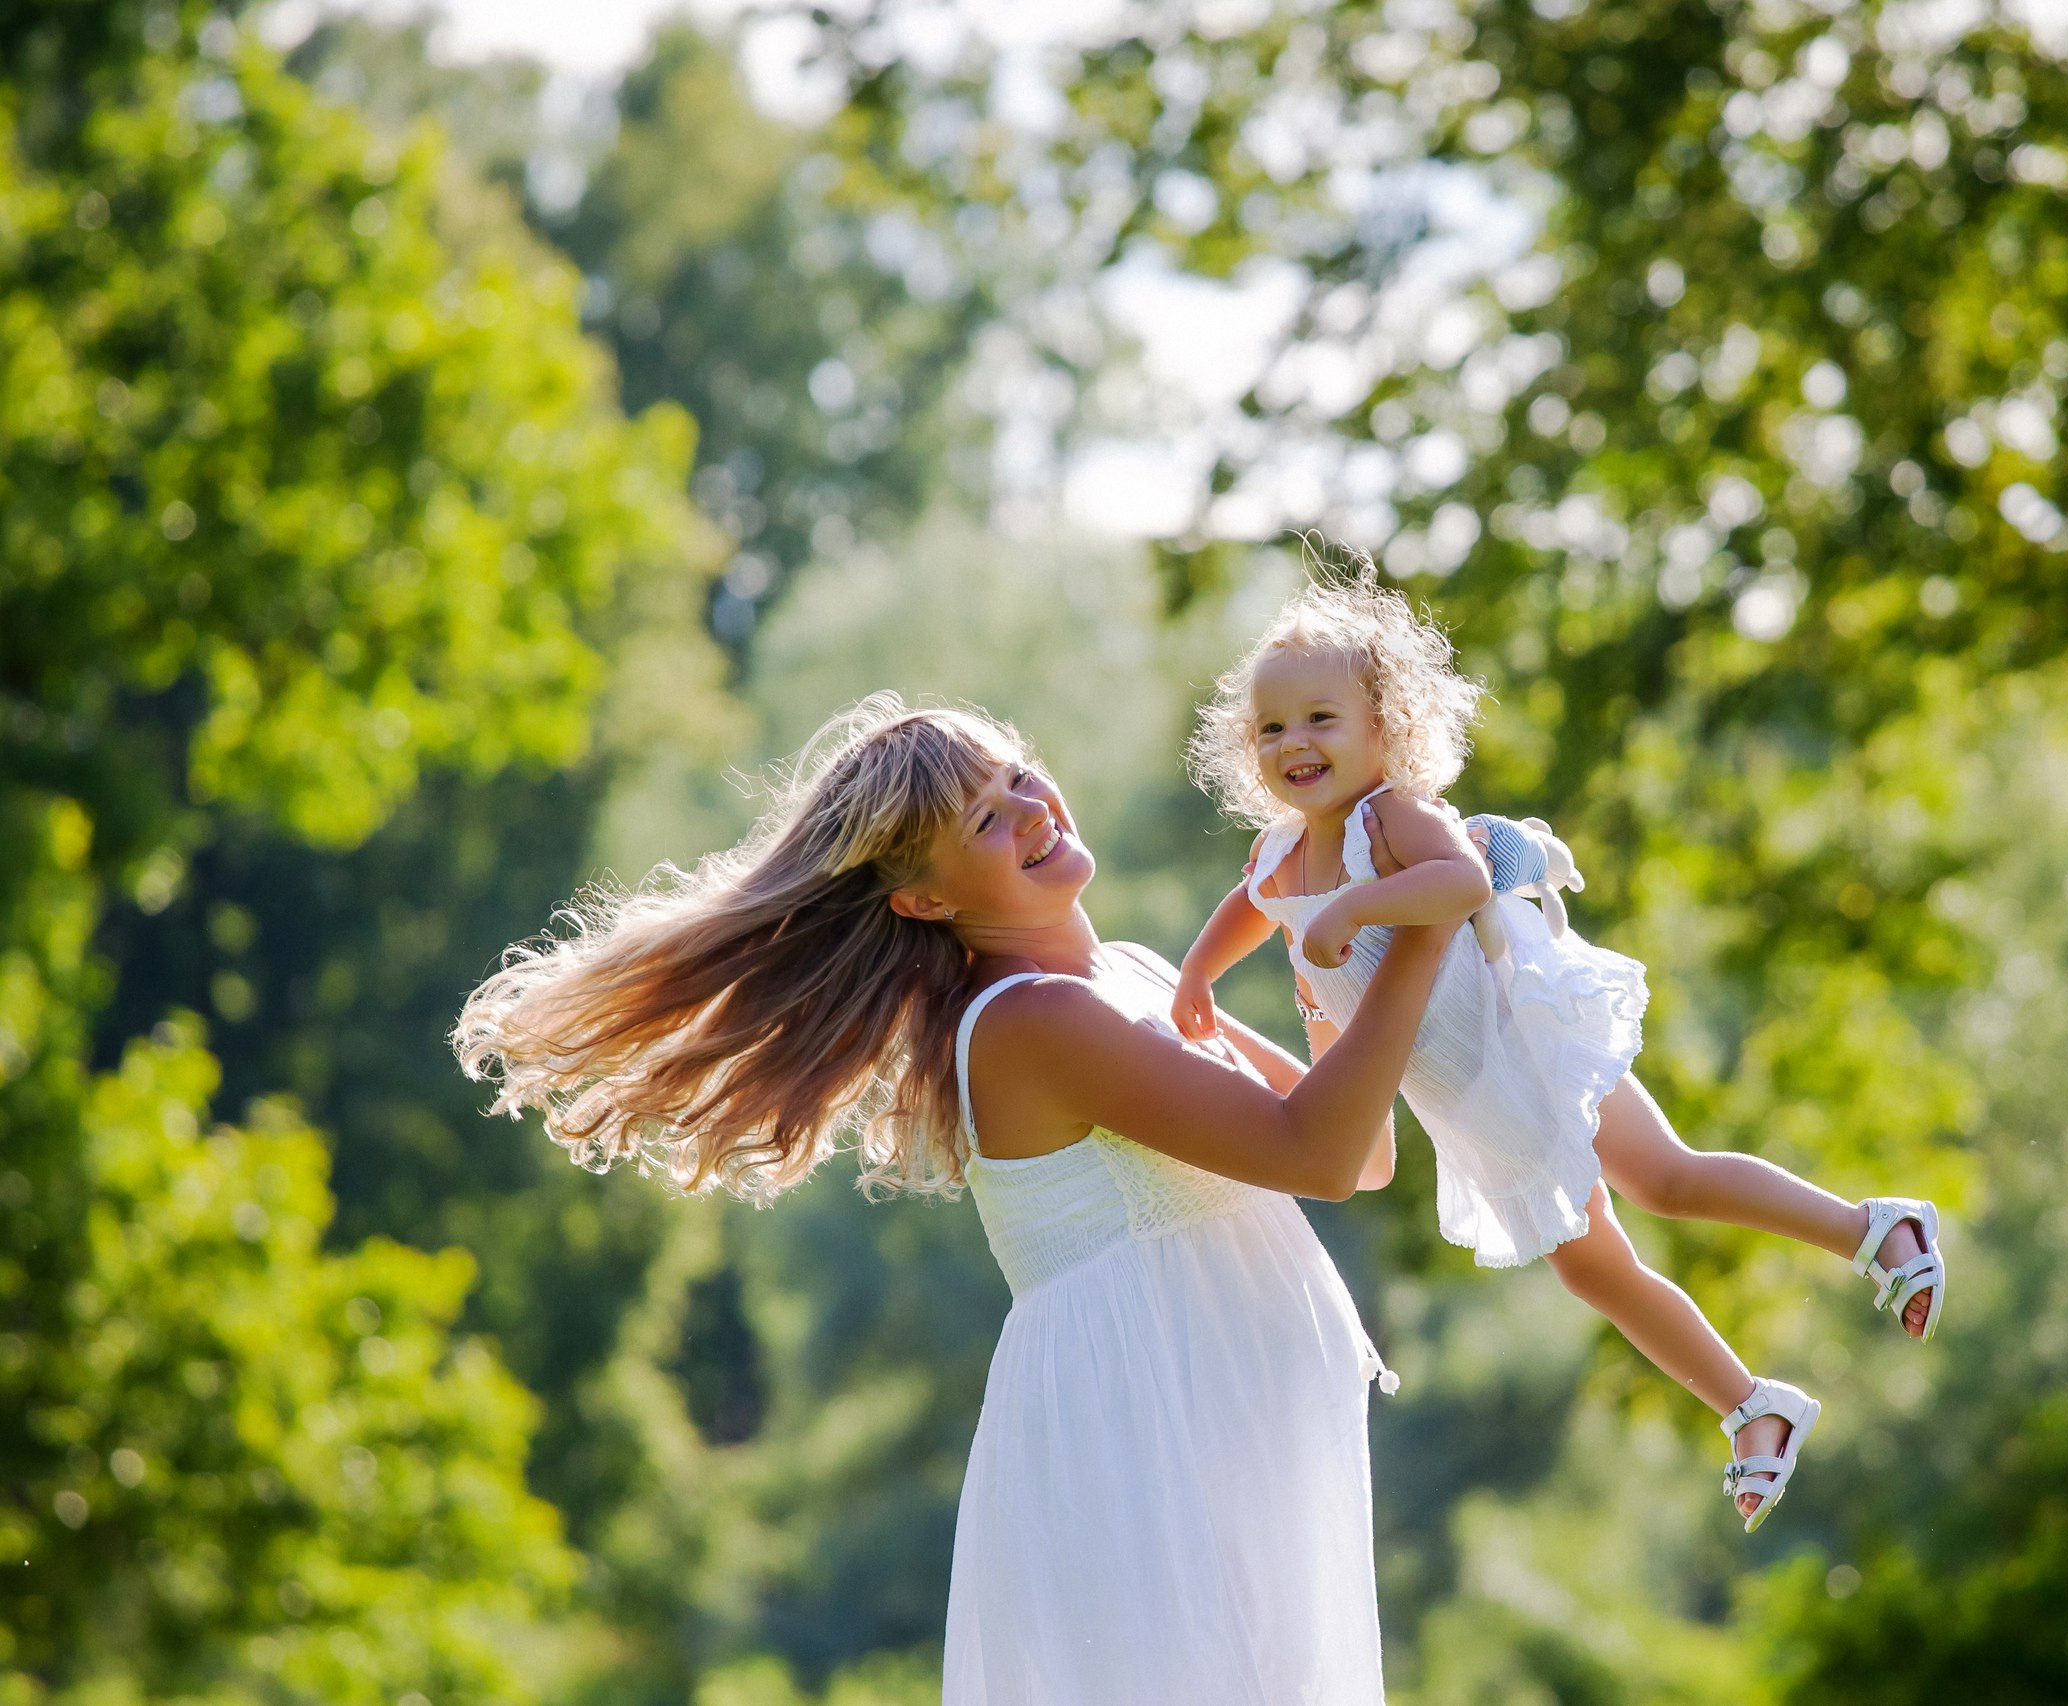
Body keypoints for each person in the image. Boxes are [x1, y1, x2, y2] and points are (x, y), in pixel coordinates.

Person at [455, 694, 1455, 1703]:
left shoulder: (1133, 974)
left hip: (1227, 1423)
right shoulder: (1033, 1017)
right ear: (924, 899)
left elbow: (1362, 1149)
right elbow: (1319, 1152)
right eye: (982, 817)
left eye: (1017, 774)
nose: (1029, 808)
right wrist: (1419, 920)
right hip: (1148, 1433)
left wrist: (1338, 944)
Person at [1175, 566, 1950, 1532]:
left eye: (1320, 719)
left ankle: (1874, 1228)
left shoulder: (1390, 820)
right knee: (1590, 1267)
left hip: (1522, 1045)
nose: (1294, 744)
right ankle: (1752, 1405)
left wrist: (1357, 905)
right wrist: (1199, 975)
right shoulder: (1281, 855)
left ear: (1386, 728)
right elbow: (1249, 908)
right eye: (1272, 729)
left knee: (1665, 1177)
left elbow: (1456, 881)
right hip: (1470, 1103)